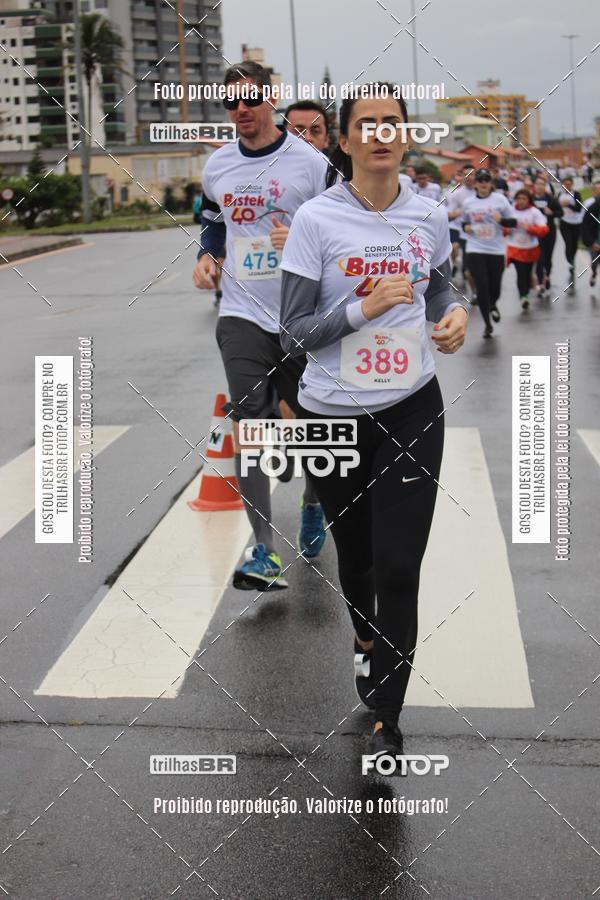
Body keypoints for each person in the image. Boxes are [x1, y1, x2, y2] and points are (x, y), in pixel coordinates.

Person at [279, 83, 469, 762]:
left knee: (399, 566)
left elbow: (439, 284)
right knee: (355, 558)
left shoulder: (428, 215)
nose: (383, 133)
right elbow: (292, 333)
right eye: (369, 123)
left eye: (394, 122)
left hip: (412, 406)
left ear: (405, 135)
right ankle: (365, 640)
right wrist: (361, 311)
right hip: (330, 414)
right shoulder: (316, 221)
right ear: (346, 138)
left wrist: (452, 315)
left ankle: (388, 715)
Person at [192, 60, 329, 590]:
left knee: (311, 420)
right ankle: (264, 552)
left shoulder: (309, 163)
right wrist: (208, 256)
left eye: (251, 99)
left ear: (272, 99)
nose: (242, 110)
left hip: (301, 314)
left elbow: (336, 229)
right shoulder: (218, 165)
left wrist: (296, 233)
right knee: (250, 424)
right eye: (232, 103)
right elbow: (211, 223)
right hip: (242, 312)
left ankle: (315, 501)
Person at [462, 168, 517, 338]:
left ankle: (493, 304)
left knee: (495, 287)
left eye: (486, 180)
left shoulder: (500, 200)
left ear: (491, 183)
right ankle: (487, 324)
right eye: (480, 180)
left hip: (496, 249)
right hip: (475, 248)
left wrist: (501, 220)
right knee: (482, 284)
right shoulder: (468, 202)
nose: (483, 183)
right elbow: (464, 223)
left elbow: (513, 222)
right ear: (475, 183)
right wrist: (468, 228)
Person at [506, 189, 549, 310]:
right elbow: (502, 226)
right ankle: (523, 296)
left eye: (524, 199)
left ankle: (526, 292)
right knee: (521, 272)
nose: (521, 201)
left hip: (530, 248)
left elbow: (544, 230)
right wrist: (506, 230)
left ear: (529, 200)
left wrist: (530, 228)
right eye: (519, 198)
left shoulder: (534, 212)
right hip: (515, 248)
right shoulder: (510, 211)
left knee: (528, 273)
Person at [531, 176, 562, 297]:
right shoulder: (531, 199)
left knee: (548, 257)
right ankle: (540, 282)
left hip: (549, 232)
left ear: (545, 186)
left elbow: (561, 213)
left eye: (542, 184)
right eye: (538, 184)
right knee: (539, 257)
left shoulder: (551, 199)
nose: (540, 186)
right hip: (536, 232)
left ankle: (547, 275)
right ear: (535, 186)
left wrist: (552, 213)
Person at [445, 165, 475, 285]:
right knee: (455, 247)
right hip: (456, 226)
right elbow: (451, 212)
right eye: (466, 175)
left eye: (472, 174)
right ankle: (455, 263)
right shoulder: (456, 194)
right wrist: (460, 212)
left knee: (469, 262)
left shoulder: (479, 192)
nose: (469, 177)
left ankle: (464, 269)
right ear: (462, 177)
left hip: (471, 229)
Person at [557, 176, 584, 289]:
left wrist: (568, 204)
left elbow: (578, 208)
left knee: (574, 244)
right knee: (568, 243)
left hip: (576, 223)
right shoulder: (559, 195)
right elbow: (556, 208)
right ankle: (570, 262)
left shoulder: (576, 194)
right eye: (565, 184)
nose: (567, 186)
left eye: (569, 184)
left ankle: (572, 258)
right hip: (565, 223)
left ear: (572, 184)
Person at [581, 180, 600, 288]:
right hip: (595, 240)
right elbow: (585, 223)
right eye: (597, 189)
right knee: (594, 262)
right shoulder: (589, 204)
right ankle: (594, 273)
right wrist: (590, 241)